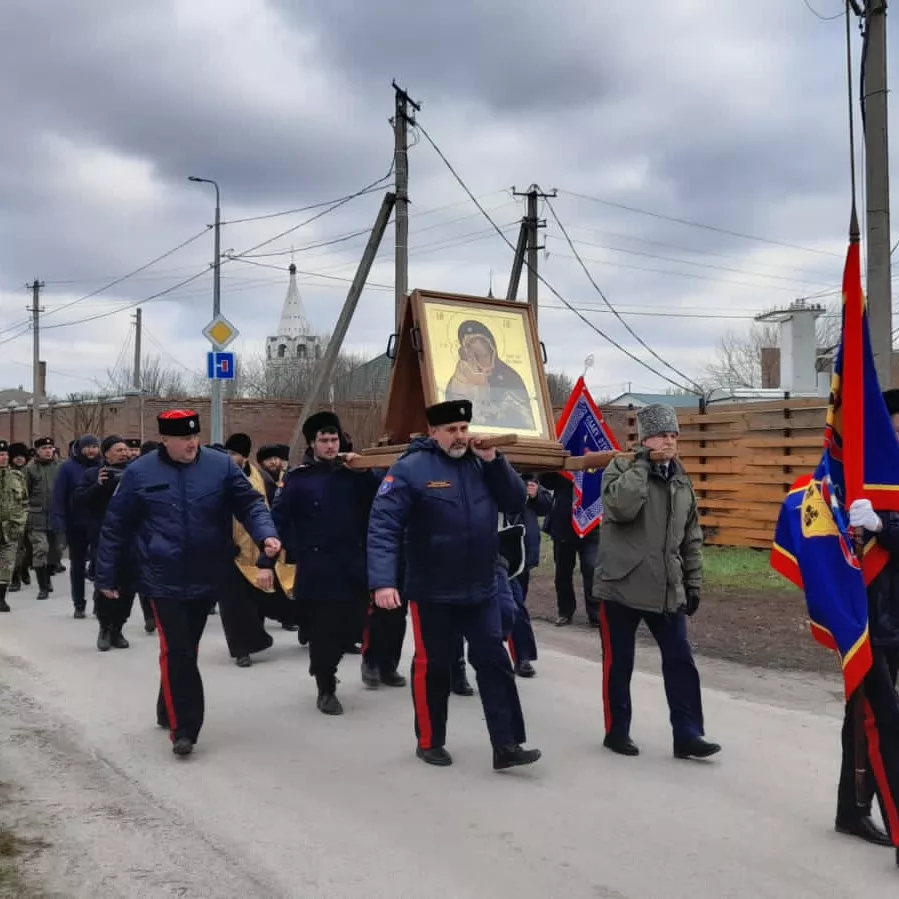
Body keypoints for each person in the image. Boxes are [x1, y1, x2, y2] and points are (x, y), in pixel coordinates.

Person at [94, 410, 281, 758]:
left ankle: (169, 705)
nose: (192, 444)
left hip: (207, 574)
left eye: (195, 437)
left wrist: (266, 534)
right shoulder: (140, 473)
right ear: (165, 440)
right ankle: (186, 729)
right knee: (178, 649)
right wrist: (105, 575)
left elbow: (250, 504)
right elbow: (115, 526)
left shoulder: (219, 466)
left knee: (185, 648)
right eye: (184, 439)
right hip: (161, 578)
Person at [368, 398, 541, 771]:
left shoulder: (483, 463)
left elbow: (514, 501)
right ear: (434, 433)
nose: (460, 436)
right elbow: (383, 526)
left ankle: (507, 745)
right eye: (451, 430)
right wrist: (383, 581)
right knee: (435, 665)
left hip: (480, 584)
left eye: (464, 429)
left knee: (494, 661)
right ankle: (430, 740)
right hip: (432, 589)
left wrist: (496, 460)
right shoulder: (411, 469)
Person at [596, 403, 719, 761]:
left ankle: (688, 734)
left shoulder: (682, 480)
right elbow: (620, 508)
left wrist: (693, 583)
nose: (670, 441)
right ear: (646, 438)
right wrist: (643, 466)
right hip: (621, 584)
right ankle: (617, 731)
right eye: (663, 434)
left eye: (674, 435)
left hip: (666, 587)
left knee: (680, 660)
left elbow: (690, 538)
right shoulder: (622, 468)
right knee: (619, 663)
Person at [271, 411, 378, 715]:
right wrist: (274, 554)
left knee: (354, 624)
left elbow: (378, 500)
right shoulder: (298, 479)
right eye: (324, 440)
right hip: (317, 568)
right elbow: (280, 517)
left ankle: (328, 663)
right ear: (313, 443)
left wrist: (364, 470)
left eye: (334, 439)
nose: (331, 446)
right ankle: (326, 686)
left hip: (352, 565)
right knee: (323, 631)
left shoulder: (353, 473)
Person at [836, 388, 899, 862]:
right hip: (869, 616)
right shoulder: (858, 477)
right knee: (874, 718)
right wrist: (853, 526)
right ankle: (861, 810)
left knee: (871, 718)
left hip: (893, 614)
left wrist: (883, 526)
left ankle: (851, 808)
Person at [76, 435, 140, 651]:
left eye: (125, 449)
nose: (124, 453)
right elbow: (78, 500)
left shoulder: (135, 473)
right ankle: (104, 627)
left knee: (129, 586)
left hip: (131, 538)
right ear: (106, 453)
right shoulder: (92, 474)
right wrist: (98, 486)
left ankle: (118, 628)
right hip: (103, 538)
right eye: (118, 449)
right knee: (106, 584)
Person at [444, 320, 536, 431]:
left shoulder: (509, 377)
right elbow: (448, 421)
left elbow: (525, 423)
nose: (476, 361)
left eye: (484, 355)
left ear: (493, 351)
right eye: (472, 355)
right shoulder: (457, 380)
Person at [504, 472, 552, 677]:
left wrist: (535, 494)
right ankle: (457, 662)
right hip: (490, 548)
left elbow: (547, 505)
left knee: (517, 606)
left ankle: (522, 658)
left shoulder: (529, 473)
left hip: (521, 553)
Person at [540, 471, 601, 628]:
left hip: (590, 523)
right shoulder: (564, 449)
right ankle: (565, 611)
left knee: (591, 569)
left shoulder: (598, 450)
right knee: (563, 572)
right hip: (563, 523)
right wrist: (551, 467)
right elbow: (548, 481)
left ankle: (595, 613)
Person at [51, 434, 101, 617]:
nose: (92, 450)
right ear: (80, 448)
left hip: (98, 524)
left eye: (95, 446)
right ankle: (79, 604)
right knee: (78, 565)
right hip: (76, 524)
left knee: (99, 565)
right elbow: (59, 497)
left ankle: (100, 602)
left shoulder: (102, 466)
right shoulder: (67, 468)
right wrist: (59, 522)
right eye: (88, 446)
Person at [25, 437, 62, 603]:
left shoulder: (60, 467)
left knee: (55, 551)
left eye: (50, 447)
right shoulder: (30, 469)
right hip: (37, 515)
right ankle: (42, 587)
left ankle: (48, 578)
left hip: (55, 516)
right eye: (44, 448)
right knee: (41, 549)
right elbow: (24, 493)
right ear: (37, 451)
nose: (48, 450)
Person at [0, 441, 28, 613]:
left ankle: (1, 599)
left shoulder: (17, 477)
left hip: (10, 529)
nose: (3, 458)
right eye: (0, 455)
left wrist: (20, 523)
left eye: (4, 455)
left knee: (6, 565)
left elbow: (25, 502)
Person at [7, 443, 31, 593]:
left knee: (31, 547)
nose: (19, 459)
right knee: (16, 547)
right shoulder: (7, 473)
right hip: (13, 515)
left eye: (22, 456)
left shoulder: (31, 471)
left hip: (31, 512)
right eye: (16, 457)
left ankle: (24, 568)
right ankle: (15, 576)